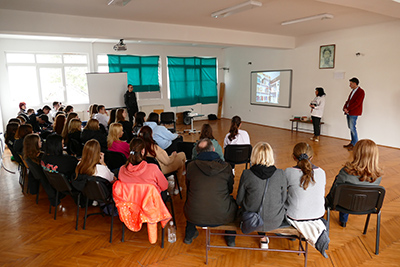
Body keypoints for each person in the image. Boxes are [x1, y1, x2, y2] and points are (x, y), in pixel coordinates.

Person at [183, 138, 237, 246]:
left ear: (197, 152)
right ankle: (230, 238)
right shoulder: (226, 167)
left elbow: (188, 188)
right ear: (213, 149)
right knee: (232, 201)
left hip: (194, 214)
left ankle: (189, 235)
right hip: (222, 214)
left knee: (193, 200)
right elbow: (230, 190)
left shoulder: (191, 166)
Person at [236, 142, 287, 249]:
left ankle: (263, 238)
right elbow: (283, 199)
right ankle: (267, 238)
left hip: (252, 219)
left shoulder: (247, 174)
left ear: (253, 156)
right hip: (275, 220)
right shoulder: (280, 173)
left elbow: (239, 200)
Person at [284, 142, 329, 257]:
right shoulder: (322, 172)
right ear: (312, 157)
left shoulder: (288, 172)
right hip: (318, 215)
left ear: (293, 157)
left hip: (295, 216)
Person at [326, 139, 382, 227]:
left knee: (343, 191)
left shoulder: (345, 172)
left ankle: (343, 220)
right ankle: (343, 219)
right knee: (351, 191)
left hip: (342, 203)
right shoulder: (378, 176)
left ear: (356, 153)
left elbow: (334, 192)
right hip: (367, 206)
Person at [139, 126, 186, 195]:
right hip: (160, 169)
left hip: (146, 170)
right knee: (181, 161)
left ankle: (182, 175)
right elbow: (167, 161)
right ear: (150, 135)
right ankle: (177, 187)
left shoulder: (138, 147)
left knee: (181, 156)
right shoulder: (154, 148)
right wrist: (173, 156)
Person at [23, 133, 58, 206]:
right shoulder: (42, 157)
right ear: (34, 144)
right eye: (39, 141)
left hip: (41, 178)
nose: (41, 142)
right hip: (50, 177)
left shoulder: (28, 156)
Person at [343, 77, 365, 151]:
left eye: (351, 83)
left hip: (354, 112)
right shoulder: (353, 91)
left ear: (355, 83)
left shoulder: (361, 92)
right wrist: (345, 108)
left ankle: (355, 144)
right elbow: (348, 101)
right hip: (349, 112)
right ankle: (352, 143)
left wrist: (348, 109)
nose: (350, 85)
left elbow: (357, 103)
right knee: (350, 127)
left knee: (353, 128)